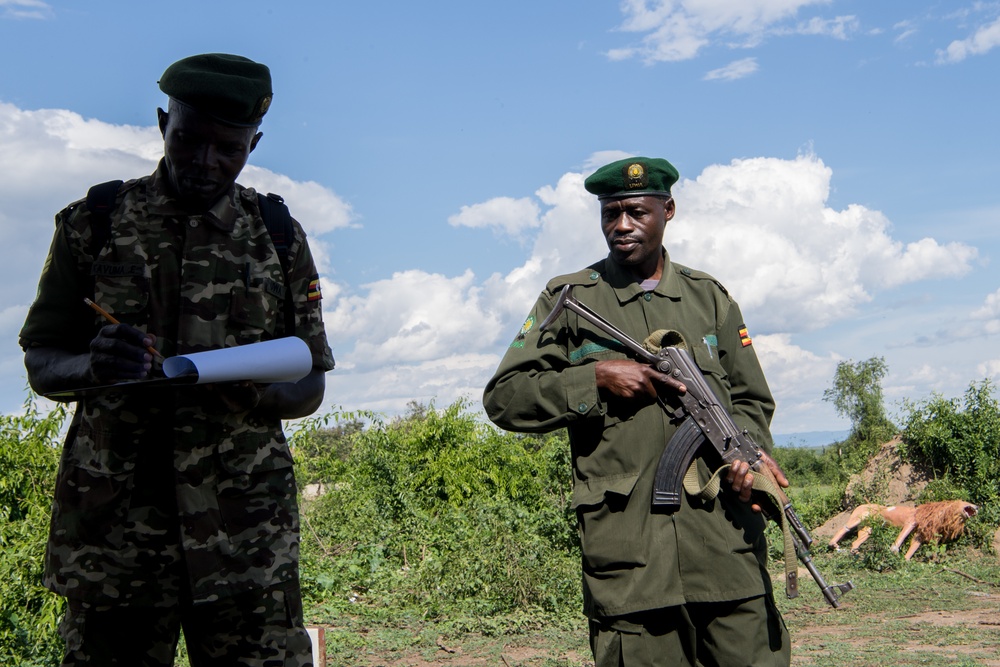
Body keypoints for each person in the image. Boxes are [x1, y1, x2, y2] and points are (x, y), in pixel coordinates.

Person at [19, 53, 335, 666]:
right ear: (163, 122)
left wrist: (249, 386)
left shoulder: (277, 235)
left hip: (247, 543)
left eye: (229, 148)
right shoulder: (95, 223)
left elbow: (309, 384)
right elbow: (41, 361)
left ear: (254, 142)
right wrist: (92, 367)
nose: (205, 162)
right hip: (115, 545)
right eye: (188, 140)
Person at [483, 157, 791, 666]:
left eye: (637, 212)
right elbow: (505, 397)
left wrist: (749, 460)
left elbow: (751, 401)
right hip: (631, 564)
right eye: (610, 213)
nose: (621, 225)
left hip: (726, 550)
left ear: (668, 211)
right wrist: (596, 379)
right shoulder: (570, 298)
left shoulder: (708, 299)